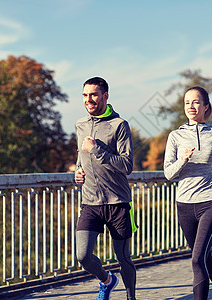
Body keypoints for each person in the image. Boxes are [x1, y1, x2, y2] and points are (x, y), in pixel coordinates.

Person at [163, 86, 212, 300]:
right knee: (203, 257)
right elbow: (169, 173)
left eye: (196, 102)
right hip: (184, 205)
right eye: (187, 102)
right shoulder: (175, 136)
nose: (191, 106)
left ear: (206, 106)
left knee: (197, 260)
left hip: (210, 202)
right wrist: (182, 159)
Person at [74, 76, 137, 300]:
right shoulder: (80, 125)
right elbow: (81, 157)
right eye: (85, 95)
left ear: (105, 96)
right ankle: (107, 280)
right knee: (82, 255)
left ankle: (131, 298)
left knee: (123, 258)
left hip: (117, 202)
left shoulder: (119, 125)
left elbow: (126, 165)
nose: (88, 99)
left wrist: (96, 150)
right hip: (90, 203)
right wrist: (77, 172)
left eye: (93, 95)